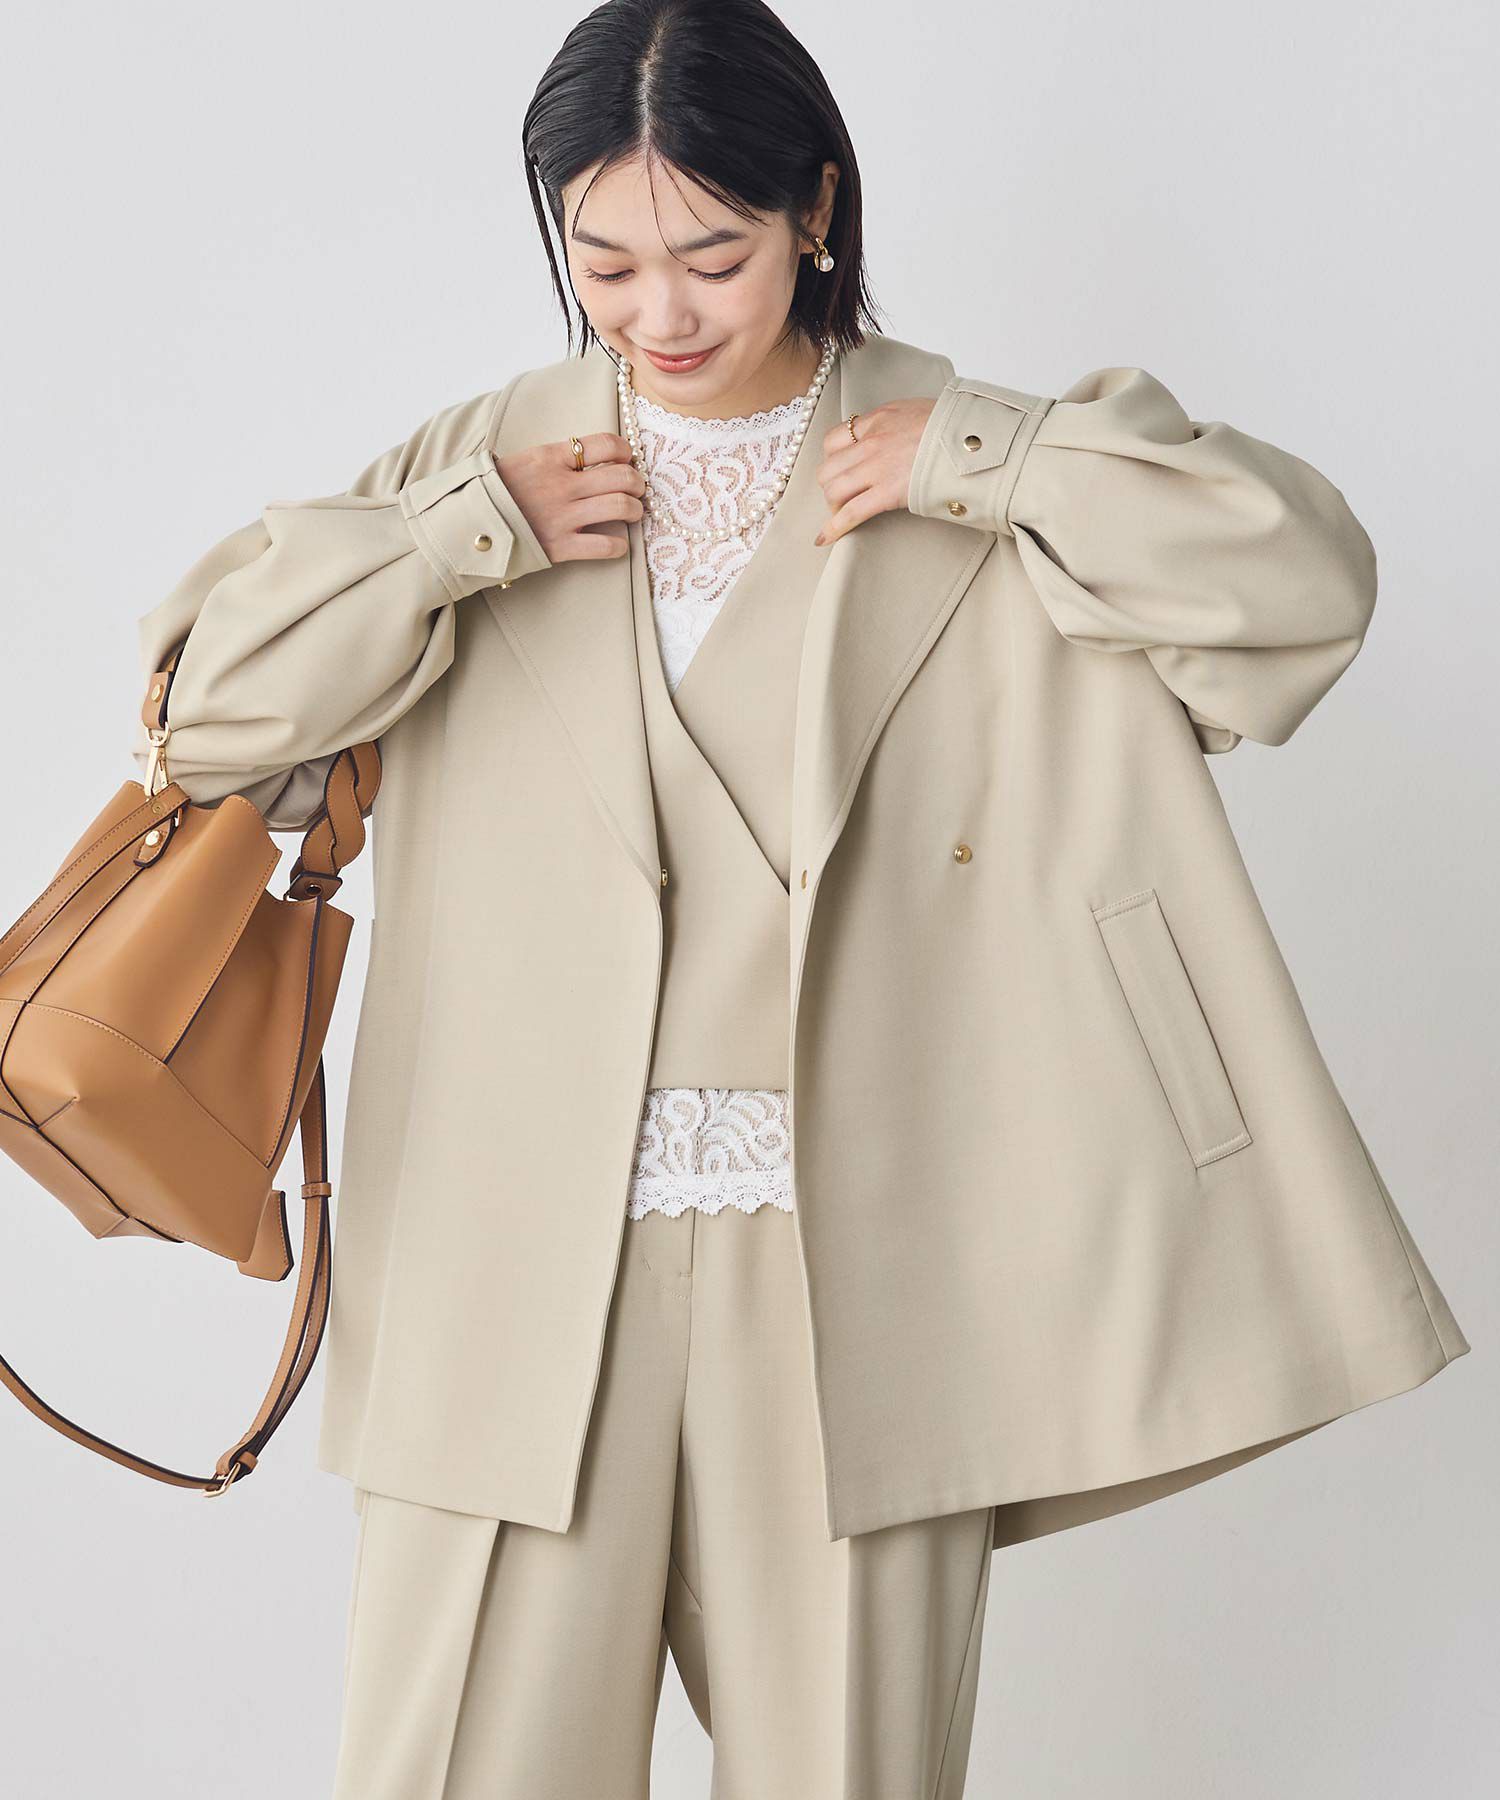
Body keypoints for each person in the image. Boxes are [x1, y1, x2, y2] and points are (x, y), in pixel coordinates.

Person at [129, 2, 1469, 1793]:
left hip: (869, 1285)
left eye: (713, 256)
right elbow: (203, 719)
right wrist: (462, 535)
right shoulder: (480, 465)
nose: (659, 315)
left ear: (816, 210)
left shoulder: (973, 457)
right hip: (506, 1257)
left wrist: (990, 462)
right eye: (605, 263)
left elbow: (1302, 591)